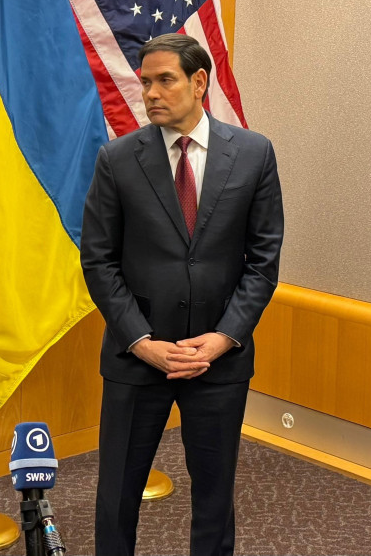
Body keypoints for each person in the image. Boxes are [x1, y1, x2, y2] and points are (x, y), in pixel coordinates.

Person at [81, 33, 284, 556]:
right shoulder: (118, 159)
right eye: (145, 81)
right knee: (117, 496)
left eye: (164, 80)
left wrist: (223, 338)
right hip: (137, 359)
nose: (150, 93)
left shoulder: (254, 155)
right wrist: (141, 341)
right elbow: (98, 262)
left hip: (218, 362)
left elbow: (262, 263)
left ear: (199, 83)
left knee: (214, 498)